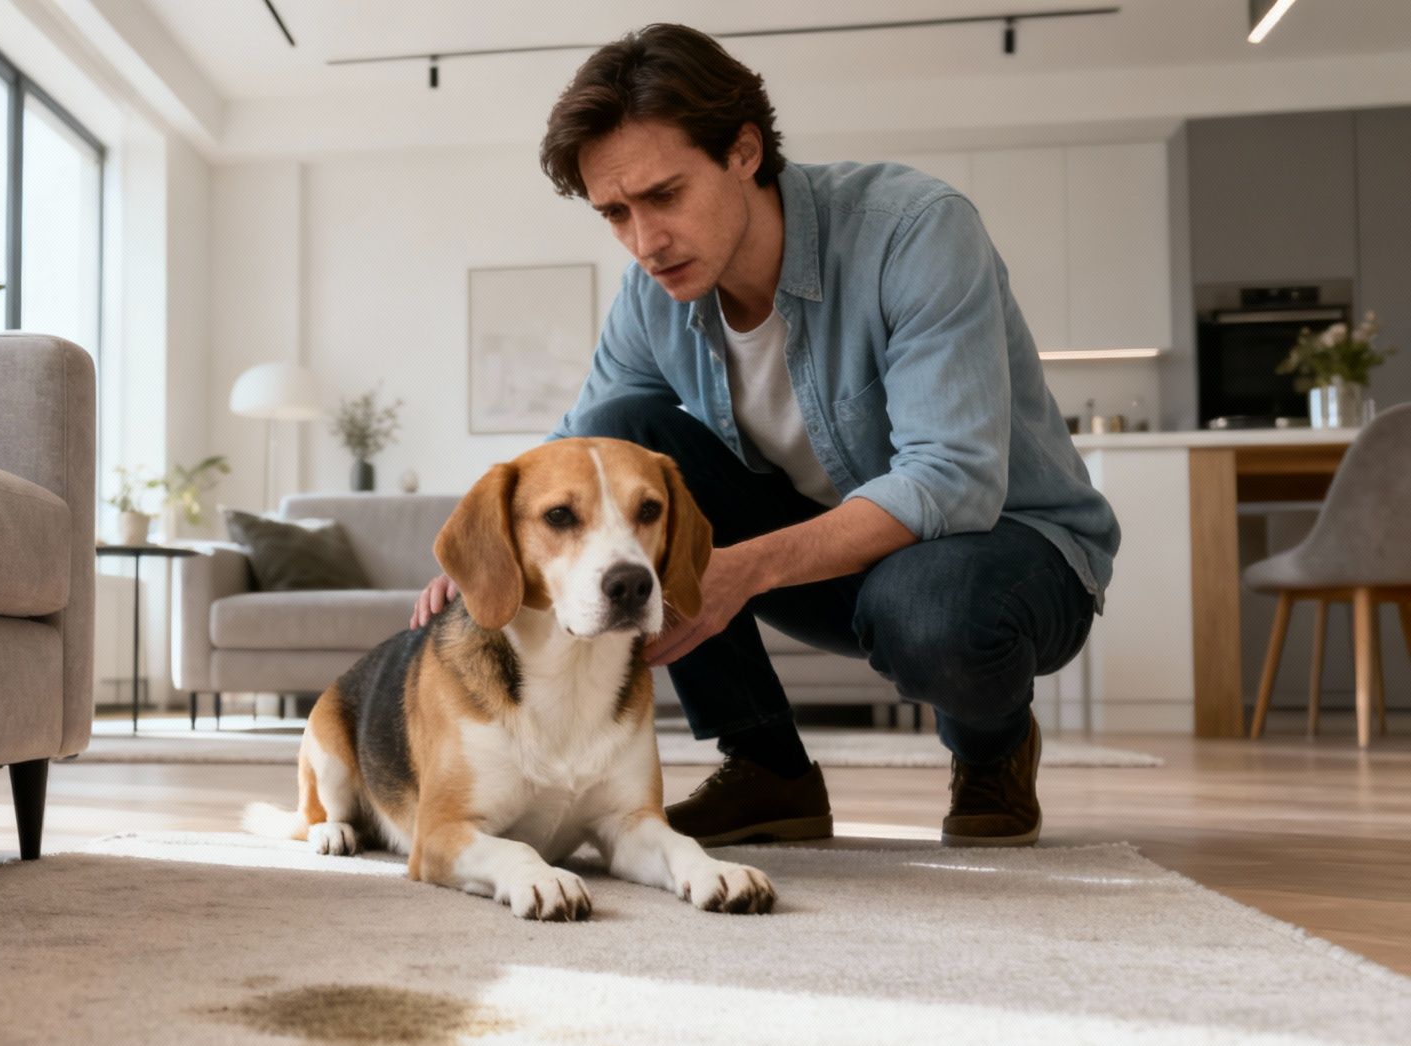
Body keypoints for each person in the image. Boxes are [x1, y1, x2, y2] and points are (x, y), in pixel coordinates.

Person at [412, 23, 1119, 848]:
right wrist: (486, 562)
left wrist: (736, 572)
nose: (645, 242)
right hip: (832, 571)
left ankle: (992, 749)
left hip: (1008, 556)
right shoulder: (654, 297)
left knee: (928, 604)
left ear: (743, 151)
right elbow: (574, 453)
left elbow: (952, 479)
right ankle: (767, 767)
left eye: (665, 195)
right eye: (615, 213)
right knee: (622, 432)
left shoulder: (917, 230)